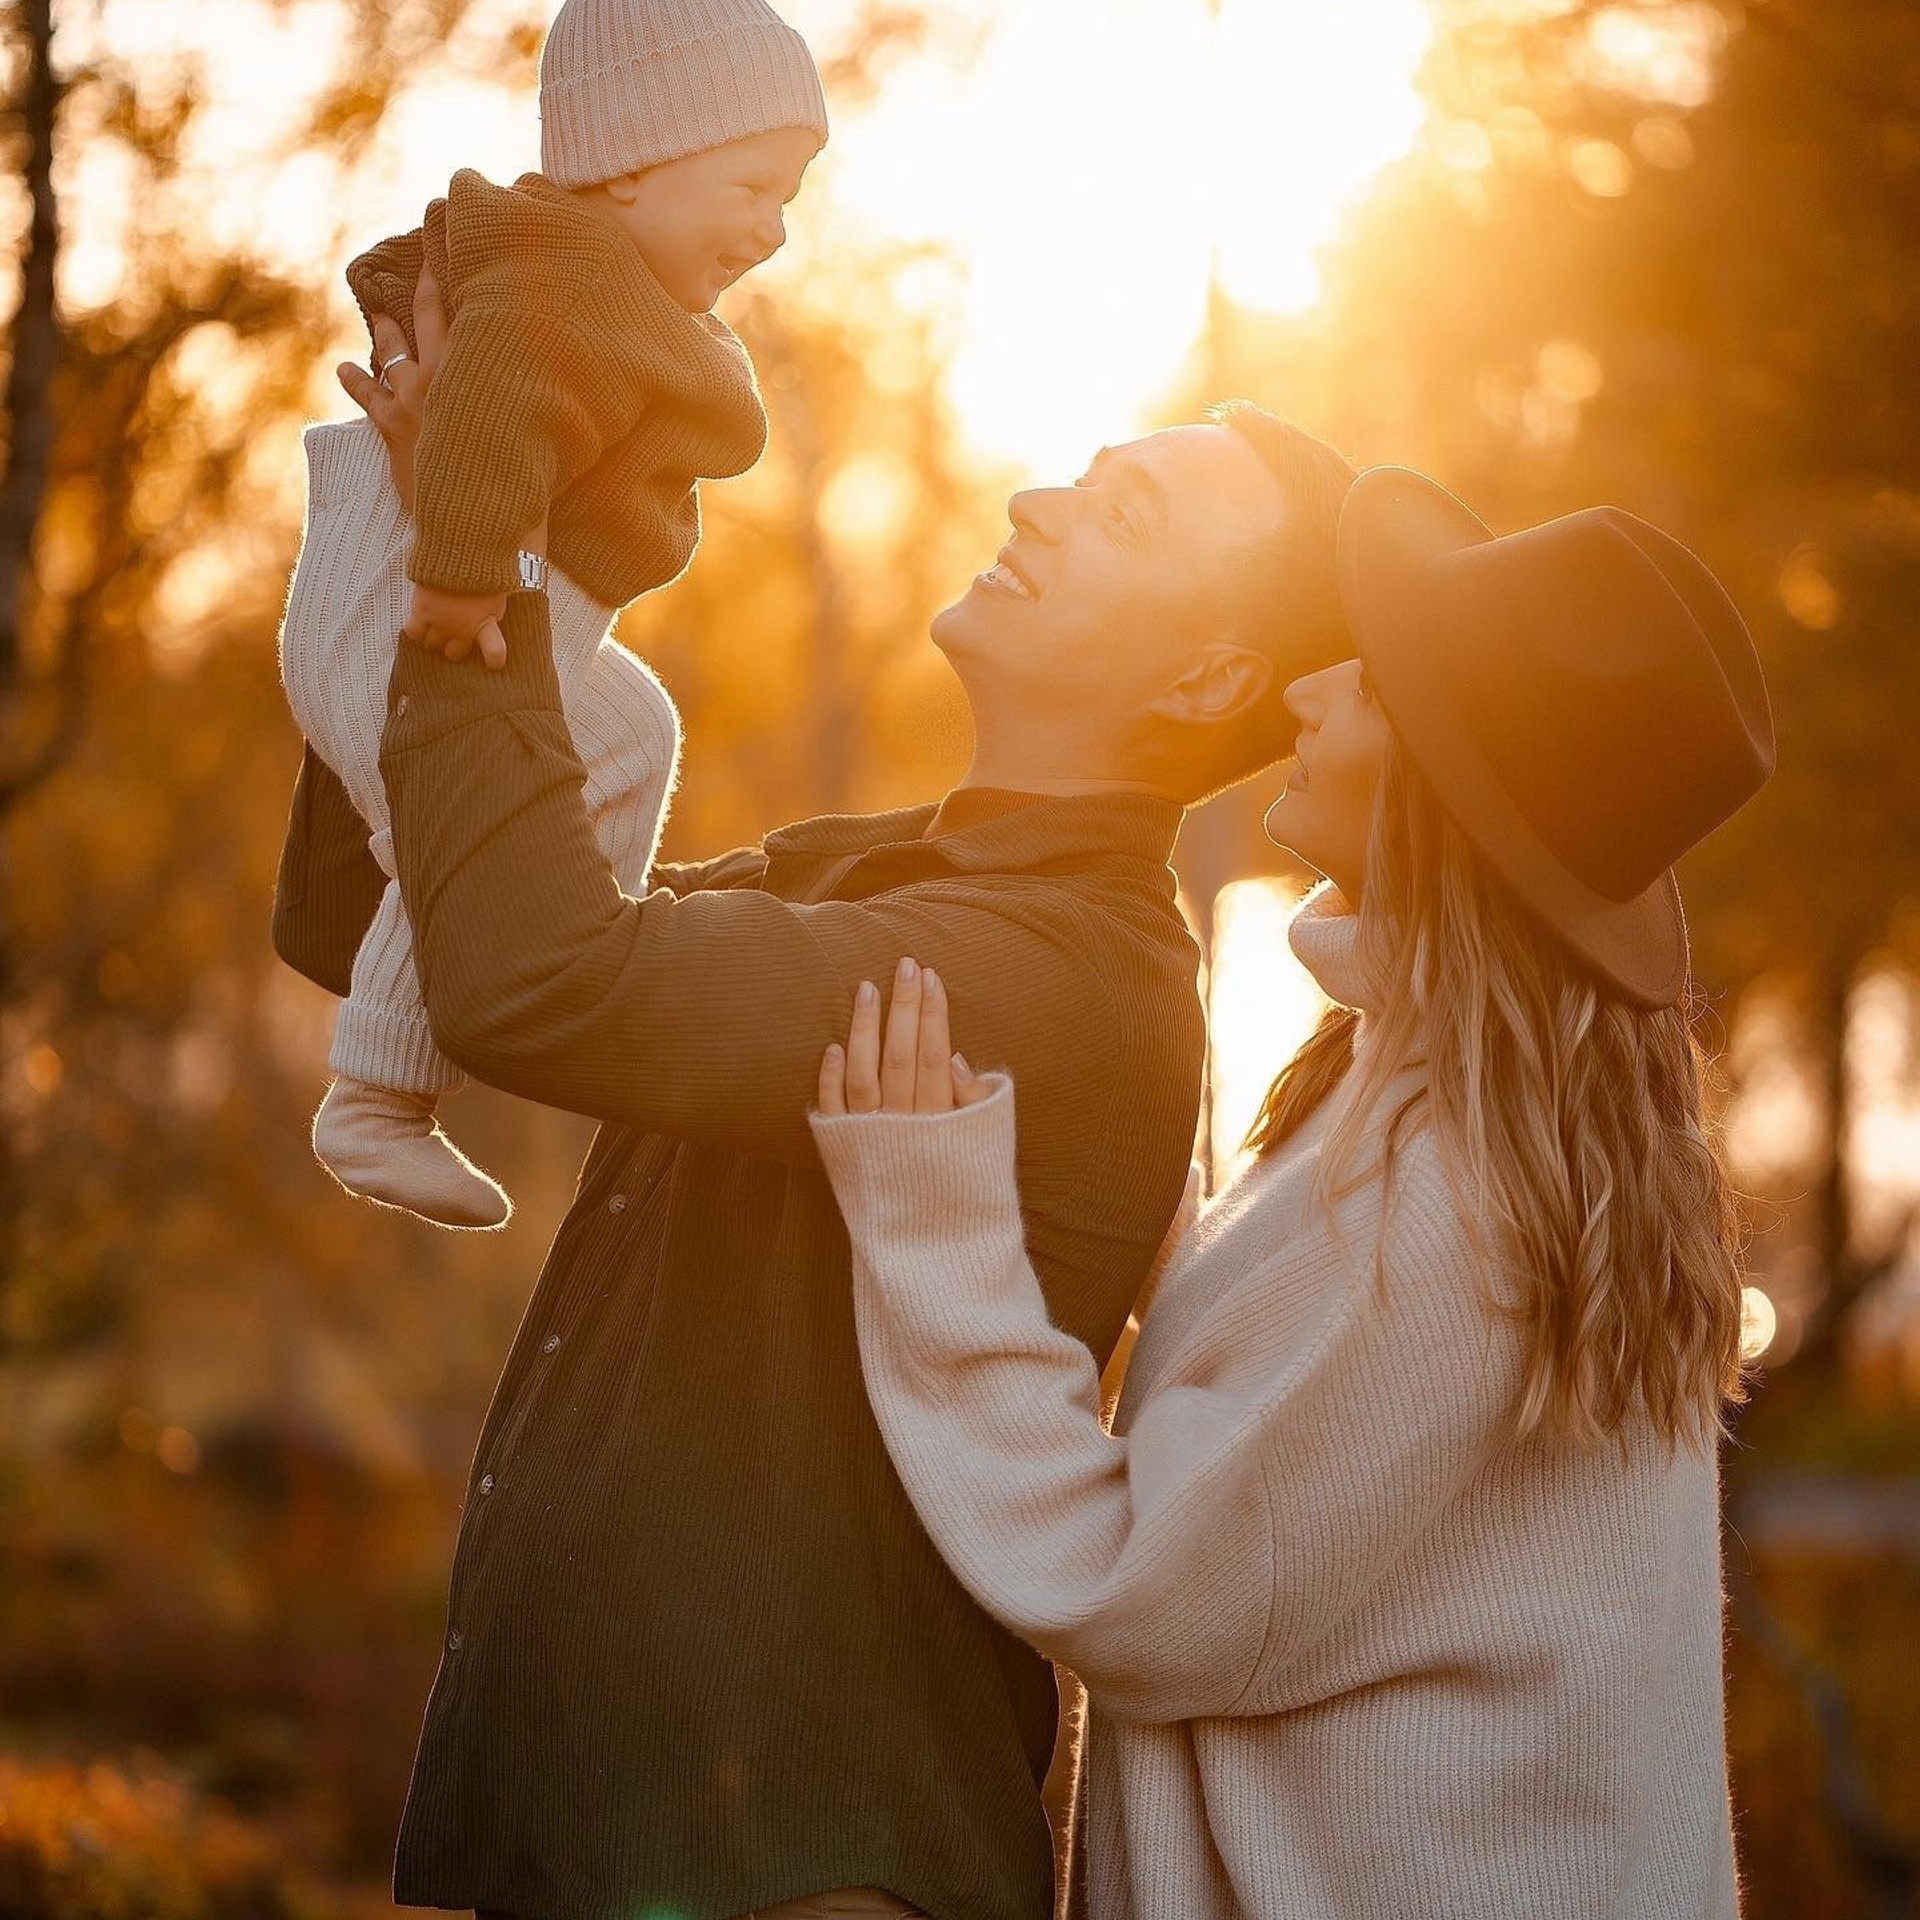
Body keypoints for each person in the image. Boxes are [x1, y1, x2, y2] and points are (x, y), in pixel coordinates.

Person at [270, 270, 1361, 1916]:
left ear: (1208, 684)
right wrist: (462, 543)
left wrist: (468, 577)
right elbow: (380, 925)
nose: (1034, 496)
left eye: (1121, 509)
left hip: (810, 1867)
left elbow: (536, 983)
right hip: (619, 1838)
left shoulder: (1056, 975)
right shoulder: (860, 876)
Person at [811, 467, 1776, 1919]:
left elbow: (1143, 1594)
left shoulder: (1461, 1203)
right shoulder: (1399, 1097)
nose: (1313, 689)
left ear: (1445, 796)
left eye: (1376, 682)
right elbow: (1274, 1443)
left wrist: (930, 1227)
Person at [278, 0, 826, 1230]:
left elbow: (426, 297)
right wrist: (464, 573)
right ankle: (375, 1100)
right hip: (422, 621)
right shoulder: (566, 278)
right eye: (752, 186)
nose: (773, 229)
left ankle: (560, 957)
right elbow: (491, 415)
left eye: (790, 195)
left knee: (635, 740)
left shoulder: (592, 278)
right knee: (468, 831)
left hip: (482, 622)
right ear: (631, 161)